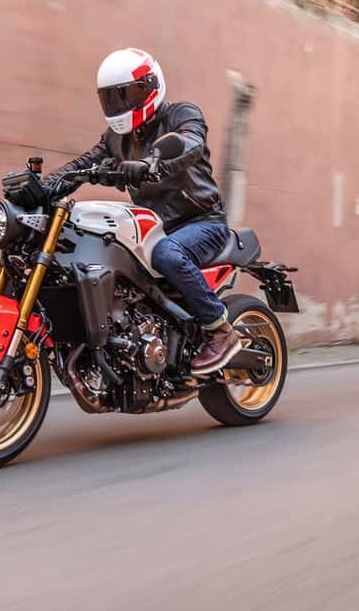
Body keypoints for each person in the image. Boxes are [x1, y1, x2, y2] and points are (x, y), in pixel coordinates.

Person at [45, 48, 241, 375]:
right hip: (154, 227)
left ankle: (221, 330)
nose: (121, 104)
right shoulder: (115, 138)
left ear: (151, 86)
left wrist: (150, 164)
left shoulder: (181, 115)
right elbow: (83, 164)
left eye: (128, 94)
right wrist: (45, 185)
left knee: (166, 254)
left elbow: (190, 143)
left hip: (201, 222)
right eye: (112, 98)